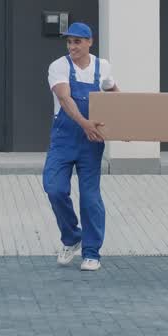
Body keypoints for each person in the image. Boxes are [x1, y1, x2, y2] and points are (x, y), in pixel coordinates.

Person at [43, 22, 118, 271]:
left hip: (91, 141)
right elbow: (64, 98)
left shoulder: (102, 66)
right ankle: (72, 236)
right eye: (69, 42)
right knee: (54, 188)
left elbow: (114, 94)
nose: (72, 46)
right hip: (64, 138)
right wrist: (84, 123)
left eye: (77, 41)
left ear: (89, 42)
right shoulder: (59, 66)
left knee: (90, 197)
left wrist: (125, 125)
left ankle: (92, 252)